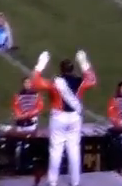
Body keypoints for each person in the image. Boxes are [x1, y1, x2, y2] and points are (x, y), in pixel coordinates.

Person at [32, 50, 96, 186]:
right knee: (74, 150)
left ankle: (53, 181)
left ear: (61, 69)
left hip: (58, 117)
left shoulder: (56, 82)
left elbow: (36, 83)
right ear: (73, 69)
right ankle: (75, 181)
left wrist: (40, 65)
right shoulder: (80, 81)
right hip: (75, 118)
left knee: (56, 150)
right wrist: (84, 63)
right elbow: (92, 80)